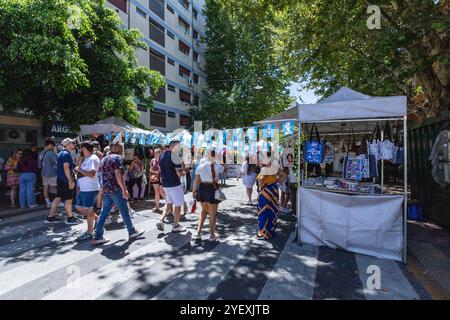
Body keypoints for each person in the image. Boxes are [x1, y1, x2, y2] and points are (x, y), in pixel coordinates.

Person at [92, 142, 144, 245]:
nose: (122, 150)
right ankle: (132, 231)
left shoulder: (104, 159)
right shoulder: (117, 158)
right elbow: (117, 174)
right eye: (121, 148)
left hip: (107, 189)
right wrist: (124, 189)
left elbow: (101, 174)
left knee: (104, 213)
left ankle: (98, 236)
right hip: (116, 189)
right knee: (124, 211)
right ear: (115, 148)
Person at [192, 148, 224, 241]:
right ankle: (212, 235)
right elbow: (224, 169)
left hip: (202, 188)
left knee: (204, 211)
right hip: (212, 188)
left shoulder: (200, 166)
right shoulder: (218, 166)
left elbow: (196, 181)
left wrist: (194, 191)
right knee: (212, 213)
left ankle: (198, 231)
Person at [46, 138, 80, 225]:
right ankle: (70, 218)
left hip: (61, 179)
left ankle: (50, 217)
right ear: (67, 145)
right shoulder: (66, 154)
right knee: (69, 199)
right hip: (65, 179)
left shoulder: (62, 153)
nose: (74, 144)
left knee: (58, 197)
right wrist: (70, 181)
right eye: (72, 143)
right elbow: (66, 168)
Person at [156, 140, 187, 233]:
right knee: (177, 205)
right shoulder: (175, 156)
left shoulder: (162, 155)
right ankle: (176, 225)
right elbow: (179, 173)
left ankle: (161, 220)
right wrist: (184, 172)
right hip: (174, 184)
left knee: (168, 202)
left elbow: (161, 170)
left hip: (166, 184)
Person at [74, 141, 101, 241]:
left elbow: (92, 174)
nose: (80, 149)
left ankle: (89, 232)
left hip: (90, 188)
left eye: (81, 148)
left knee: (89, 210)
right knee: (78, 207)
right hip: (84, 188)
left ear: (85, 148)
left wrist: (79, 170)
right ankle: (99, 219)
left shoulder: (93, 158)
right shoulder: (85, 158)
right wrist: (79, 166)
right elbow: (80, 170)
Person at [256, 151, 281, 240]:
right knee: (272, 210)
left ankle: (263, 232)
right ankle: (271, 231)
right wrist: (275, 181)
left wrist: (261, 180)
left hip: (266, 191)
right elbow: (282, 175)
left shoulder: (265, 169)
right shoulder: (275, 167)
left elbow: (261, 179)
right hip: (274, 190)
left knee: (263, 212)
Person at [40, 139, 58, 208]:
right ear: (50, 145)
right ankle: (56, 202)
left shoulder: (41, 153)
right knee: (56, 187)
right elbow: (57, 162)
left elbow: (40, 165)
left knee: (46, 187)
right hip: (52, 173)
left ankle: (48, 203)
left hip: (44, 173)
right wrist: (56, 152)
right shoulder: (50, 153)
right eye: (53, 146)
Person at [150, 148, 165, 213]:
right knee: (156, 192)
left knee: (161, 192)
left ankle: (169, 203)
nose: (155, 154)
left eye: (156, 153)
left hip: (162, 178)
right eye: (154, 153)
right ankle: (157, 207)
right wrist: (155, 172)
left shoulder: (163, 160)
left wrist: (159, 172)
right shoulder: (152, 160)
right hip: (155, 178)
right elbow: (150, 169)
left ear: (160, 153)